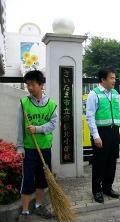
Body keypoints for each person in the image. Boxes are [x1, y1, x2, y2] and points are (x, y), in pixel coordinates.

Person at [17, 70, 57, 222]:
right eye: (27, 85)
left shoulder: (51, 104)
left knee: (42, 179)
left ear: (41, 85)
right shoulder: (23, 103)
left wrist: (37, 129)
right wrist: (20, 147)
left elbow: (53, 124)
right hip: (29, 150)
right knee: (27, 180)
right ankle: (25, 211)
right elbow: (19, 127)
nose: (30, 88)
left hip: (45, 148)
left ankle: (39, 205)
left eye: (32, 84)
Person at [86, 67, 120, 203]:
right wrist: (96, 136)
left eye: (114, 78)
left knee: (111, 163)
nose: (114, 81)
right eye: (112, 78)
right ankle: (97, 191)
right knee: (99, 164)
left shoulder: (115, 93)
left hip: (114, 132)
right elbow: (90, 116)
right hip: (101, 133)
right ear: (103, 79)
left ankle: (107, 188)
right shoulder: (94, 94)